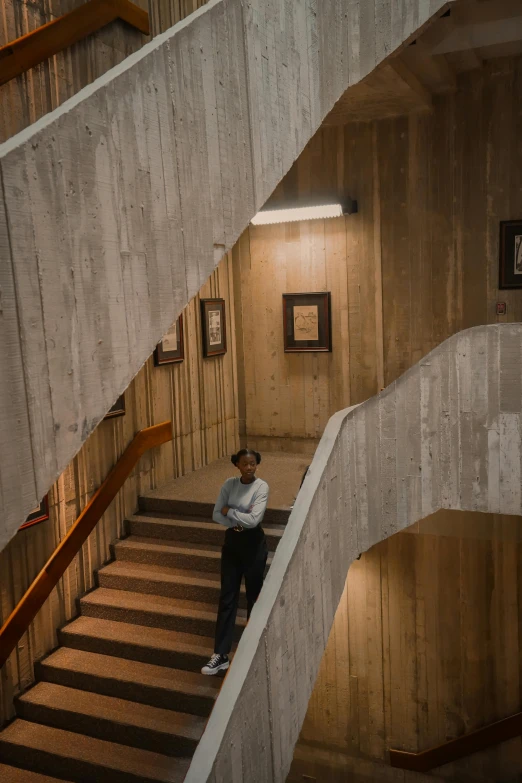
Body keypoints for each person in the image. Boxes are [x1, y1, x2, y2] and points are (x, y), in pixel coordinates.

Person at [201, 449, 269, 675]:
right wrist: (238, 517)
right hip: (232, 543)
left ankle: (252, 651)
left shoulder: (261, 487)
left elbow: (253, 521)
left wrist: (231, 511)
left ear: (256, 464)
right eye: (245, 464)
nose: (249, 467)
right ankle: (220, 654)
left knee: (253, 598)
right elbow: (215, 514)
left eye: (253, 464)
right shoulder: (229, 485)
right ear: (237, 465)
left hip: (253, 546)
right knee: (227, 597)